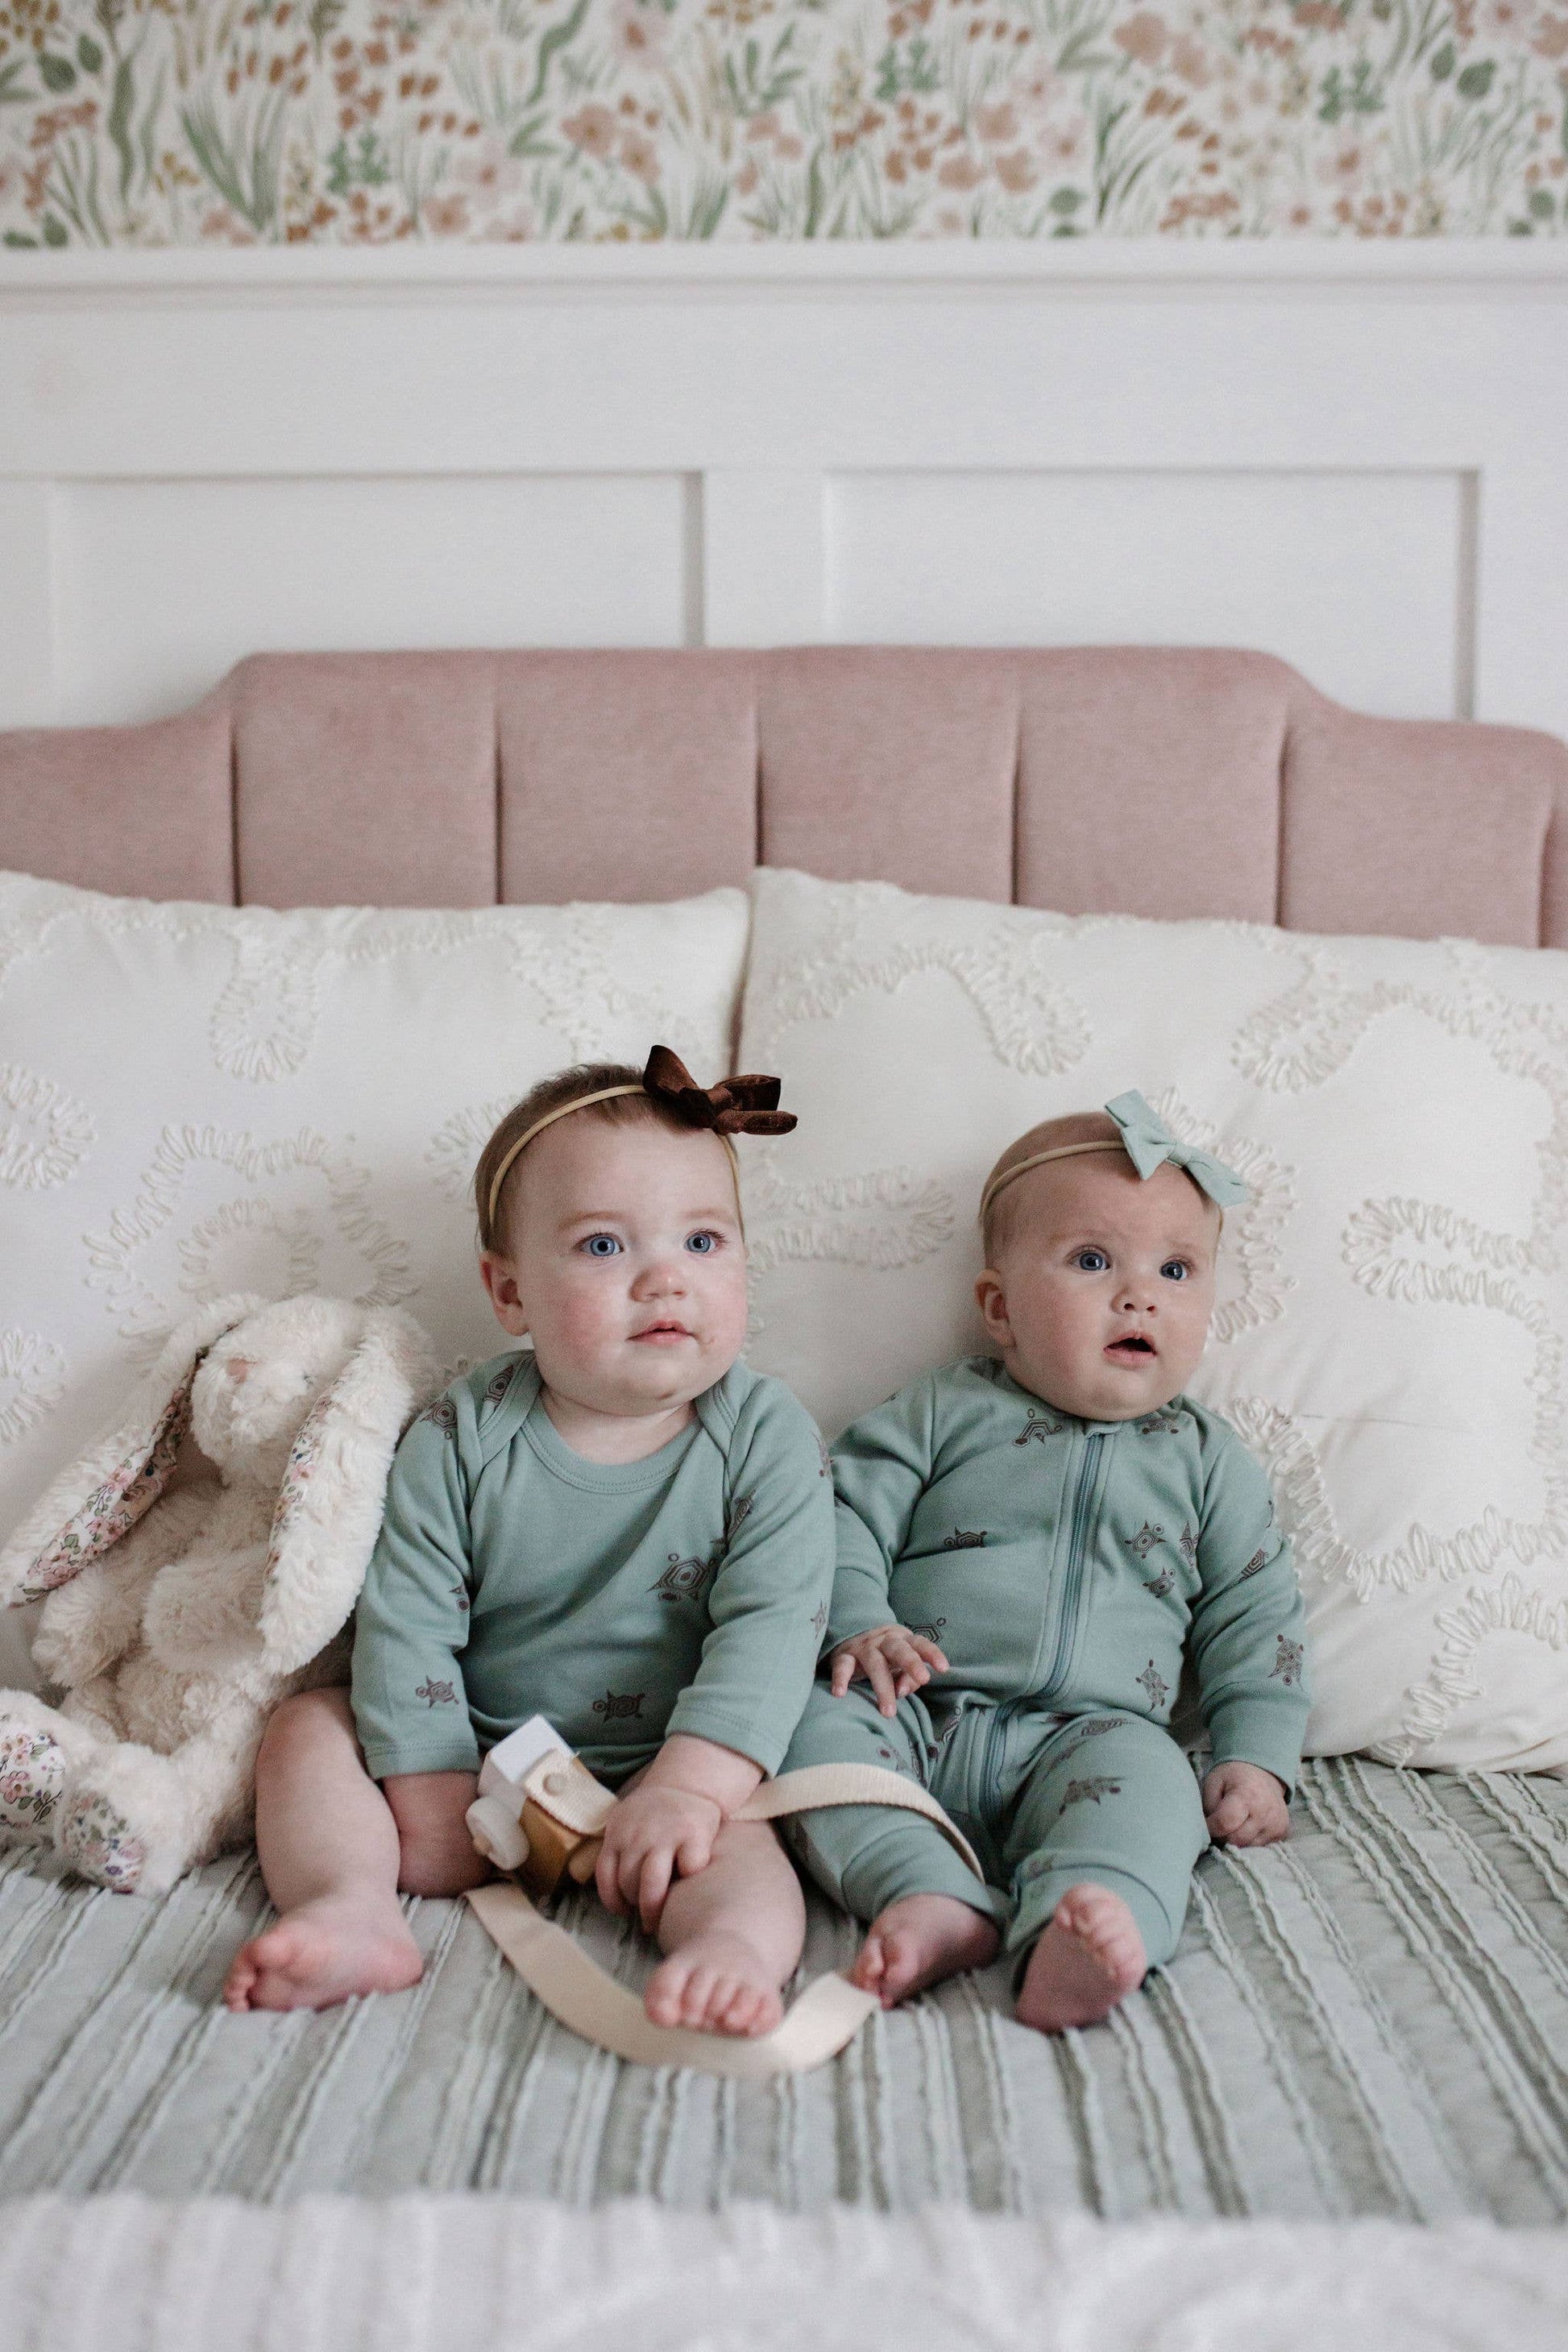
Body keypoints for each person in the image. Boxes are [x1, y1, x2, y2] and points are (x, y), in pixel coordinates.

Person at [223, 1049, 835, 2037]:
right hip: (478, 1758)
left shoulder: (766, 1435)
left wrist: (686, 1788)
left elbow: (773, 1627)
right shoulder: (459, 1436)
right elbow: (407, 1620)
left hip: (668, 1764)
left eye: (703, 1242)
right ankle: (348, 1905)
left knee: (747, 1848)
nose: (663, 1278)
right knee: (305, 1733)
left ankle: (732, 1954)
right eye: (603, 1247)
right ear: (509, 1294)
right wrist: (427, 1782)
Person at [781, 1090, 1309, 2033]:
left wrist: (1255, 1756)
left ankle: (1091, 1923)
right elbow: (836, 1517)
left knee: (1156, 1795)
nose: (1137, 1294)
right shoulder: (940, 1412)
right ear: (1000, 1307)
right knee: (806, 1733)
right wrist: (859, 1622)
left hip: (1092, 1739)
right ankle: (927, 1894)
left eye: (1176, 1269)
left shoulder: (1204, 1460)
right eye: (1092, 1261)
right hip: (912, 1711)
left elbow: (1254, 1614)